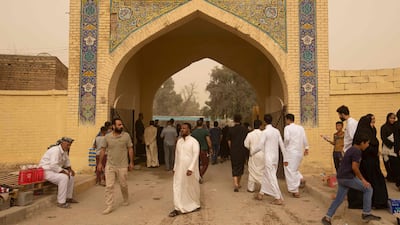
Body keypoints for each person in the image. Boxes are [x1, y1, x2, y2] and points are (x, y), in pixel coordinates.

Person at [321, 133, 381, 225]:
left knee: (339, 199)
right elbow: (355, 167)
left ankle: (327, 217)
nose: (367, 145)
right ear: (362, 143)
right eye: (367, 143)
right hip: (347, 177)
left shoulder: (351, 149)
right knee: (368, 189)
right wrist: (363, 180)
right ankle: (366, 213)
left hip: (341, 177)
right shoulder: (357, 151)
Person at [347, 114, 388, 209]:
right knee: (369, 182)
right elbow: (363, 148)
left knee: (375, 181)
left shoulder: (370, 131)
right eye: (371, 120)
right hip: (366, 163)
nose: (373, 122)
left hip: (372, 162)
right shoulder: (363, 133)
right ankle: (373, 202)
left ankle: (377, 202)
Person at [97, 118, 134, 215]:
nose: (121, 126)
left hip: (122, 165)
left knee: (123, 184)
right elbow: (103, 150)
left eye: (121, 124)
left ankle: (125, 199)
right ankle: (109, 206)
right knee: (109, 186)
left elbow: (130, 149)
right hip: (110, 165)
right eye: (119, 125)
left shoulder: (126, 136)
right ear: (113, 126)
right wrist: (100, 163)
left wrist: (131, 162)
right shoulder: (107, 137)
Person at [168, 123, 201, 217]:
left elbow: (195, 155)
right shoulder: (179, 142)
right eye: (181, 128)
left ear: (189, 130)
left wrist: (191, 168)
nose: (182, 130)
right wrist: (174, 167)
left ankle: (195, 204)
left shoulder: (194, 141)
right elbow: (177, 156)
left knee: (191, 187)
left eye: (184, 128)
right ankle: (177, 208)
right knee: (177, 187)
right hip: (179, 169)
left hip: (190, 170)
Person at [253, 114, 286, 205]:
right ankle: (261, 194)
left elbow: (260, 146)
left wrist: (252, 152)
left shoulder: (265, 132)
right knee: (266, 175)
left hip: (269, 158)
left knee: (271, 177)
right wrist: (285, 158)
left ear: (264, 122)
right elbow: (282, 145)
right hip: (276, 157)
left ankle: (278, 197)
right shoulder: (276, 131)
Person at [39, 137, 78, 208]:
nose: (69, 147)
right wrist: (63, 172)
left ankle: (68, 197)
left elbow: (67, 161)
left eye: (70, 145)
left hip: (54, 170)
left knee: (71, 175)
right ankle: (61, 202)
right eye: (67, 145)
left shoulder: (64, 151)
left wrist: (70, 169)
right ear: (62, 143)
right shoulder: (55, 150)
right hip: (46, 171)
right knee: (64, 178)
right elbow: (53, 165)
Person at [283, 113, 309, 198]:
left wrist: (284, 146)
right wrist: (306, 147)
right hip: (299, 152)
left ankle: (295, 191)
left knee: (289, 170)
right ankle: (300, 178)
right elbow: (304, 138)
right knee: (294, 169)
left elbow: (286, 139)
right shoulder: (300, 128)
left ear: (288, 120)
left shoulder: (287, 128)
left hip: (291, 152)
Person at [227, 114, 249, 192]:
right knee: (241, 166)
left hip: (234, 150)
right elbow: (247, 141)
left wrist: (231, 148)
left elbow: (229, 141)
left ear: (234, 120)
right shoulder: (245, 130)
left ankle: (235, 183)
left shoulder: (230, 130)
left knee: (234, 166)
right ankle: (238, 183)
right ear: (241, 120)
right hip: (242, 150)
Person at [243, 119, 264, 193]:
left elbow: (246, 144)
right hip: (263, 155)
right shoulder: (264, 134)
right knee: (262, 171)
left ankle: (251, 188)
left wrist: (251, 148)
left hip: (253, 154)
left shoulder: (250, 134)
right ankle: (264, 188)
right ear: (261, 126)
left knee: (252, 171)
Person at [380, 112, 398, 183]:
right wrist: (392, 144)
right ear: (388, 118)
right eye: (391, 118)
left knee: (395, 164)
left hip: (395, 148)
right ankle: (390, 177)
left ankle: (395, 177)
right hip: (387, 147)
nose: (392, 120)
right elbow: (383, 137)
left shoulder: (395, 127)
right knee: (388, 163)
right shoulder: (384, 127)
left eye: (394, 118)